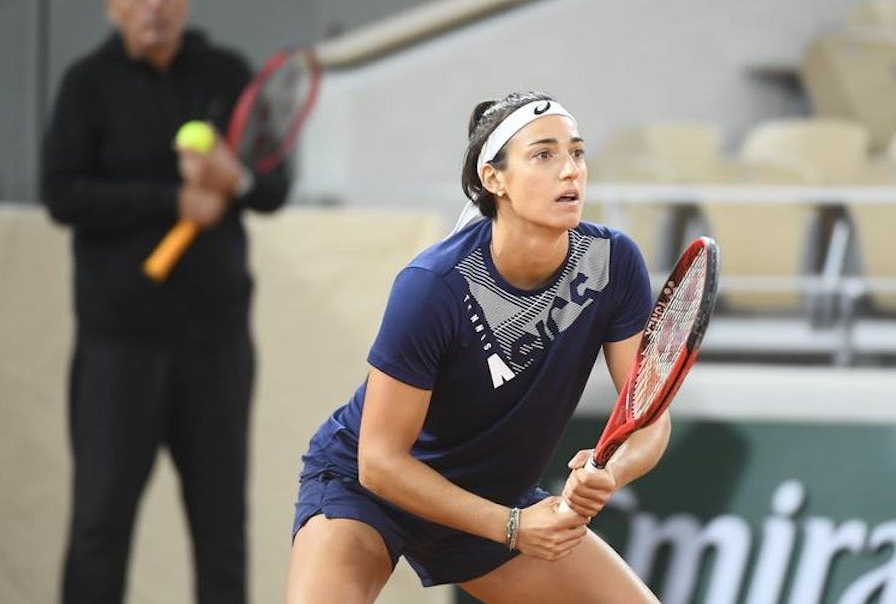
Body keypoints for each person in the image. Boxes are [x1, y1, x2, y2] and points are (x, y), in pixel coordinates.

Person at [285, 91, 669, 603]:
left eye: (576, 153)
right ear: (494, 179)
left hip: (495, 497)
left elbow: (649, 418)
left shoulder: (611, 263)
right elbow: (378, 461)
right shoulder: (432, 285)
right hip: (373, 491)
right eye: (543, 155)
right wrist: (512, 527)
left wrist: (610, 470)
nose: (570, 171)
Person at [40, 0, 289, 604]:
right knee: (99, 528)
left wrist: (231, 179)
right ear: (112, 6)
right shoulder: (86, 86)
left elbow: (272, 184)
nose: (153, 2)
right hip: (117, 345)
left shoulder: (226, 73)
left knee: (221, 532)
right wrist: (170, 201)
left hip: (217, 345)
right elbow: (62, 193)